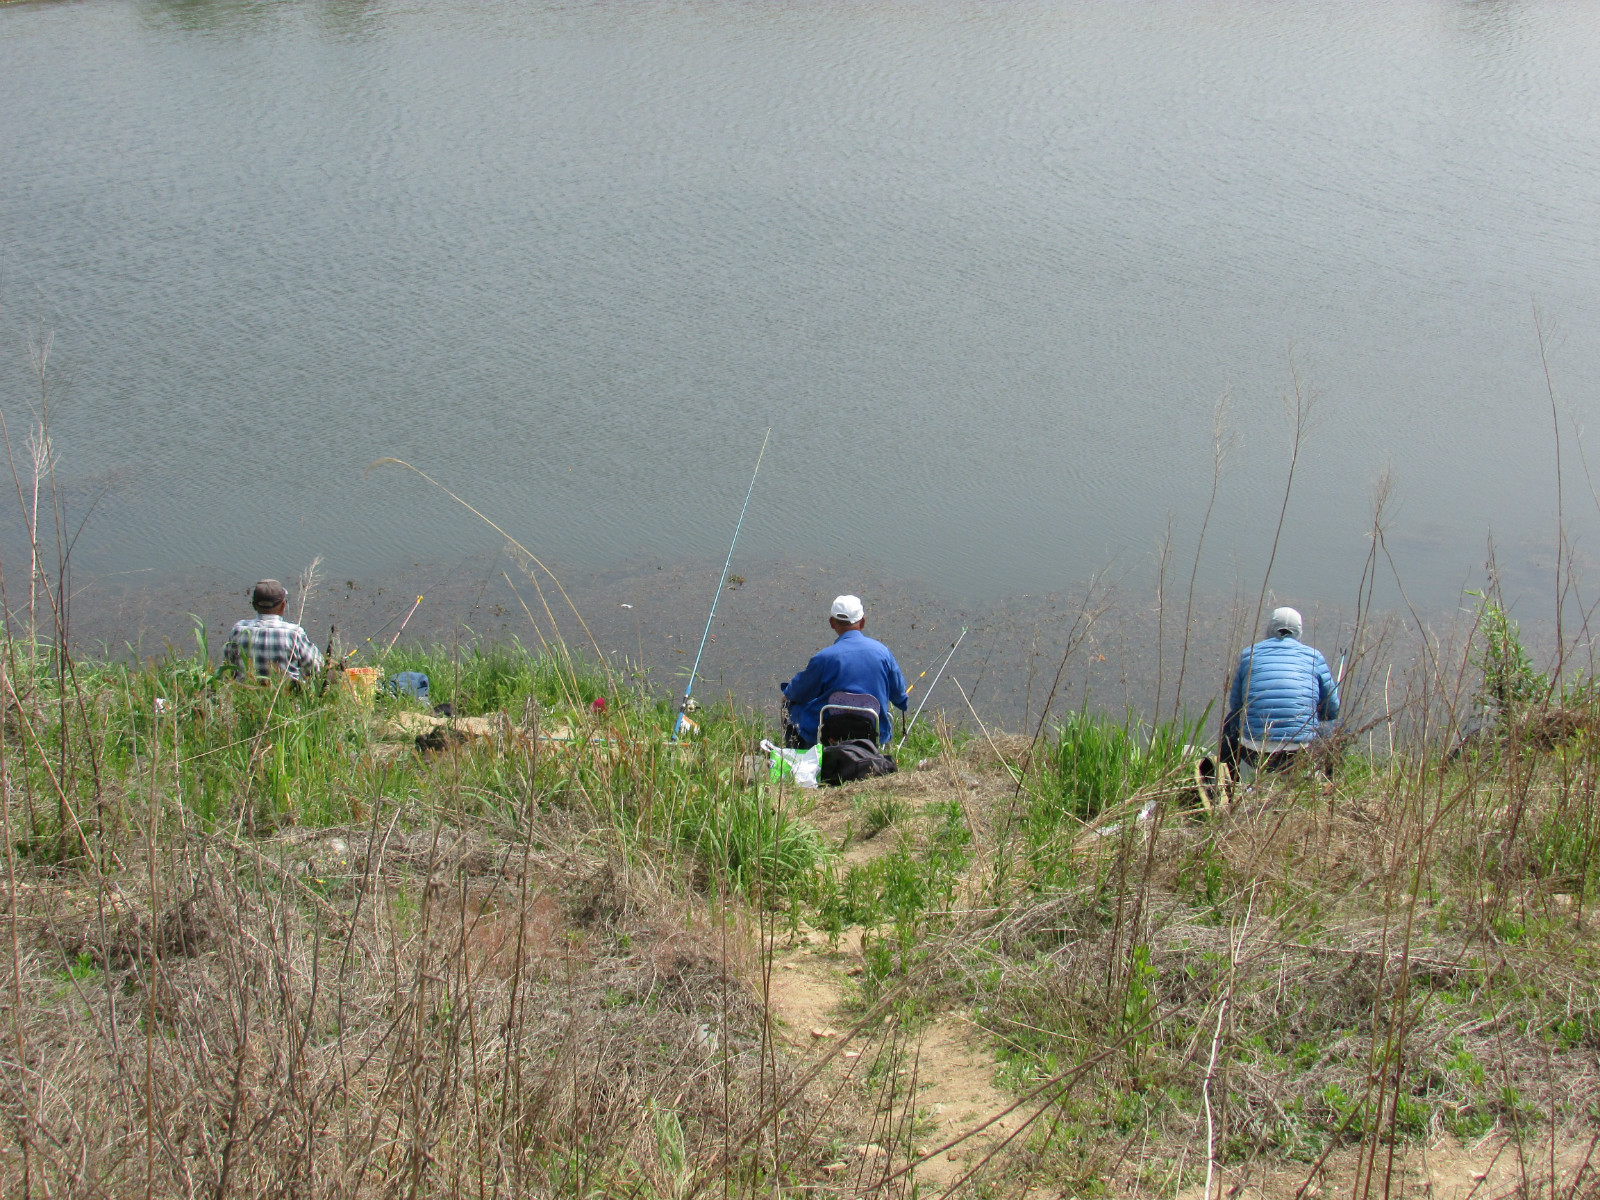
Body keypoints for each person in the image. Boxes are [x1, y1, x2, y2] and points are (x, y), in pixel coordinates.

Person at [1221, 606, 1339, 775]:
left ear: (1269, 629)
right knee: (1339, 728)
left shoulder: (1248, 655)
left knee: (1230, 721)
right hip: (1301, 754)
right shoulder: (1315, 657)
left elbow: (1236, 705)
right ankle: (1330, 786)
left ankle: (1226, 782)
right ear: (1299, 632)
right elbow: (1332, 709)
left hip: (1254, 754)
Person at [780, 594, 908, 749]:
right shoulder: (883, 653)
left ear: (832, 623)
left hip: (831, 731)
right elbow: (899, 697)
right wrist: (902, 702)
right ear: (863, 622)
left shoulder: (824, 658)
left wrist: (787, 693)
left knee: (789, 705)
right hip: (875, 733)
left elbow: (798, 692)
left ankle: (798, 754)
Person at [223, 579, 324, 683]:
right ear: (283, 605)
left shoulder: (238, 630)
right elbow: (317, 669)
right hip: (285, 696)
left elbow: (229, 668)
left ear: (254, 605)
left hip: (244, 695)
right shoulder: (294, 633)